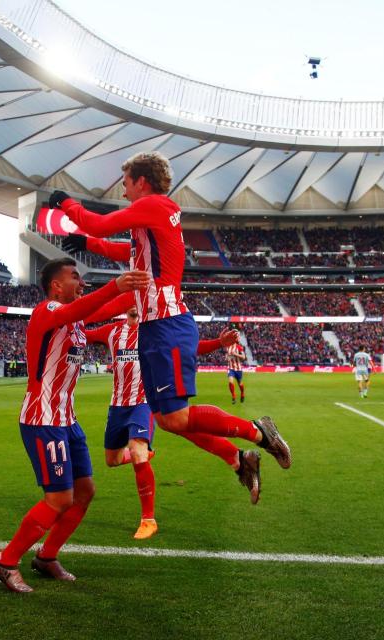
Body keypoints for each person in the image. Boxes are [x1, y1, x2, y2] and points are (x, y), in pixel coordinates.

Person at [52, 152, 291, 503]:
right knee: (167, 421)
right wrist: (88, 246)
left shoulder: (155, 206)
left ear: (142, 182)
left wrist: (65, 203)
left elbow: (100, 224)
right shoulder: (151, 221)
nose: (123, 191)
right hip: (155, 328)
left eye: (126, 183)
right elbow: (127, 251)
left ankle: (258, 433)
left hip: (166, 326)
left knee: (176, 418)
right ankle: (239, 458)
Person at [0, 259, 148, 593]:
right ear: (56, 286)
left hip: (67, 420)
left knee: (85, 492)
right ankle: (5, 561)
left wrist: (142, 287)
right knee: (59, 499)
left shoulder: (76, 321)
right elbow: (96, 302)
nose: (81, 281)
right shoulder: (47, 310)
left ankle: (47, 557)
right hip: (43, 419)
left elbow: (109, 304)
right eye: (74, 276)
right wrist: (116, 286)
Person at [85, 297, 246, 539]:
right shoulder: (112, 331)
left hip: (144, 403)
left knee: (138, 452)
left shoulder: (154, 330)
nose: (132, 305)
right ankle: (145, 452)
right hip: (118, 405)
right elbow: (82, 335)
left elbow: (190, 346)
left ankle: (148, 519)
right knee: (113, 460)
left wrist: (218, 343)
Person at [225, 338, 246, 404]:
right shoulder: (228, 347)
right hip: (231, 368)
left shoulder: (239, 347)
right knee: (231, 381)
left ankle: (242, 393)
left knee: (240, 383)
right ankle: (233, 396)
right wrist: (227, 358)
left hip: (238, 368)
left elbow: (243, 357)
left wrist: (235, 354)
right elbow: (227, 356)